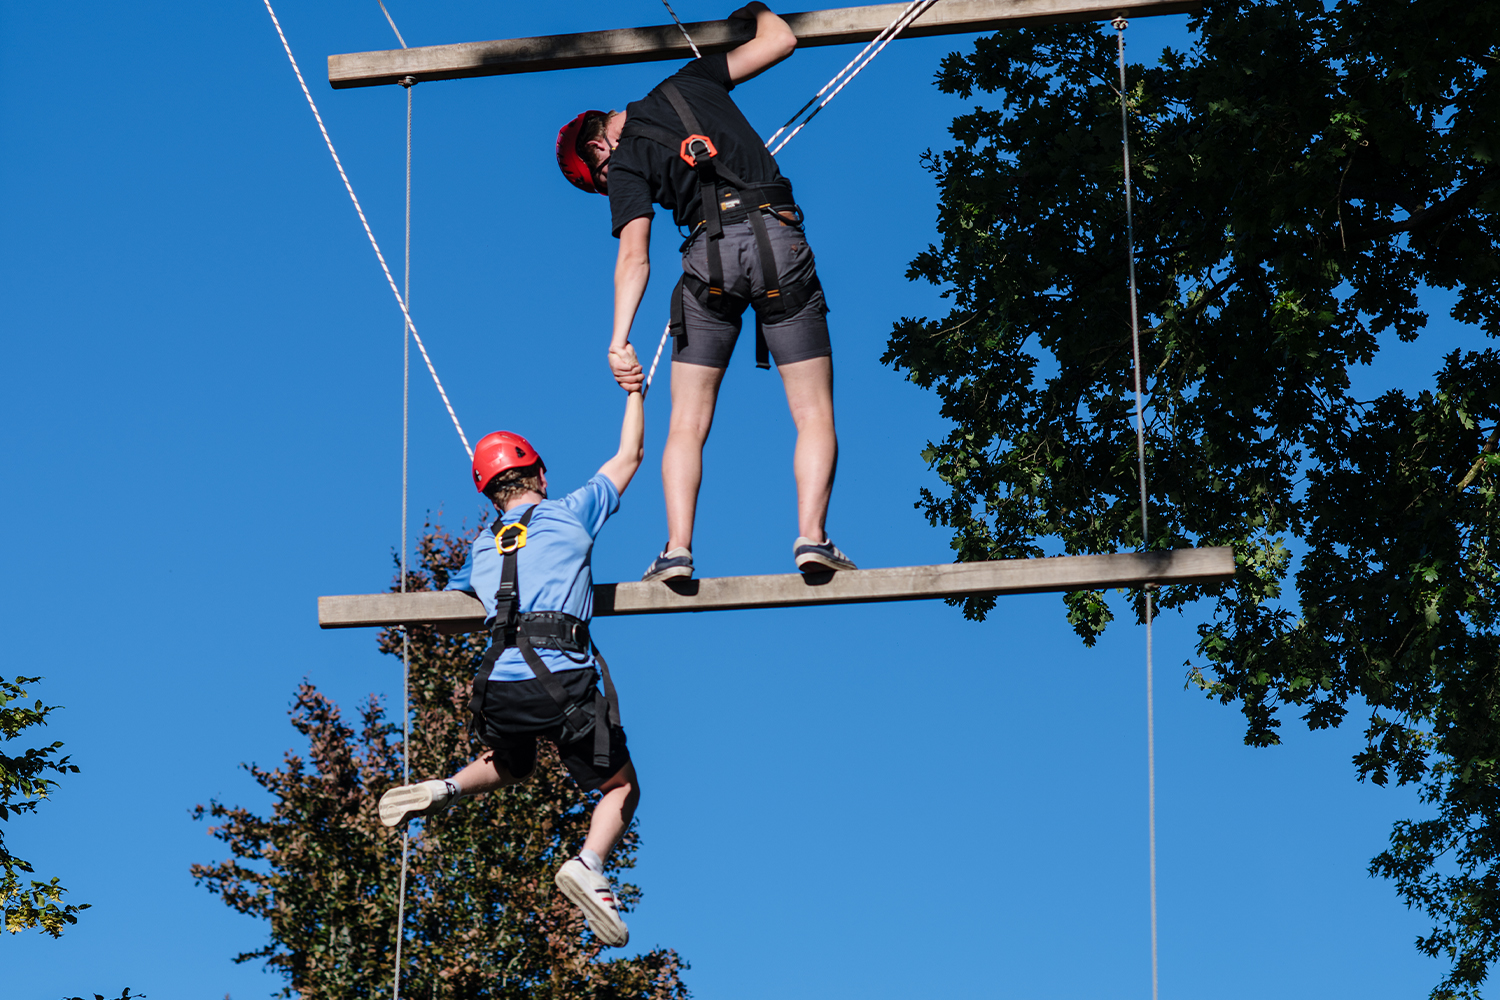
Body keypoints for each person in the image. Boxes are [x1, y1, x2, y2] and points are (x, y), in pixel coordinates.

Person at [555, 1, 856, 582]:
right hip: (778, 241)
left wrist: (619, 340)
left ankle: (676, 549)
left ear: (596, 148)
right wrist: (754, 10)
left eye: (598, 183)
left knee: (687, 424)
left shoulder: (624, 164)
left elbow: (633, 255)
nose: (606, 186)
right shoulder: (688, 81)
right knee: (813, 410)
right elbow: (780, 41)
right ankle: (813, 538)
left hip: (708, 259)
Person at [377, 370, 645, 948]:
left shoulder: (479, 548)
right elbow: (631, 454)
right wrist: (634, 394)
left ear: (489, 492)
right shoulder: (570, 512)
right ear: (540, 474)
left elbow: (454, 600)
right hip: (564, 681)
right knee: (620, 788)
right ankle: (589, 866)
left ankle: (445, 788)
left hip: (496, 689)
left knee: (514, 762)